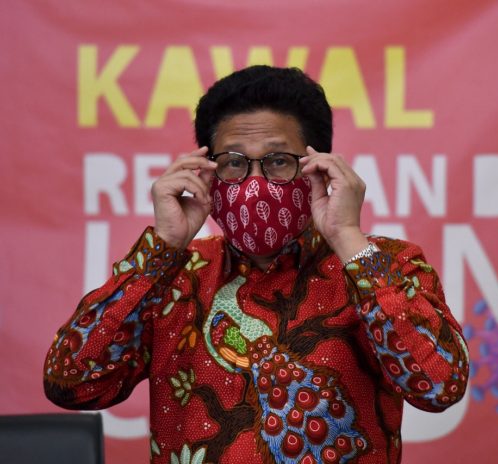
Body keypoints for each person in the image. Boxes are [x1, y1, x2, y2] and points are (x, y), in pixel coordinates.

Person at [44, 65, 469, 464]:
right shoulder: (175, 275)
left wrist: (346, 236)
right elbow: (71, 384)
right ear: (206, 172)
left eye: (278, 160)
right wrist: (165, 245)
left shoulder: (382, 265)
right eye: (233, 162)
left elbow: (440, 387)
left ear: (319, 168)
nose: (254, 182)